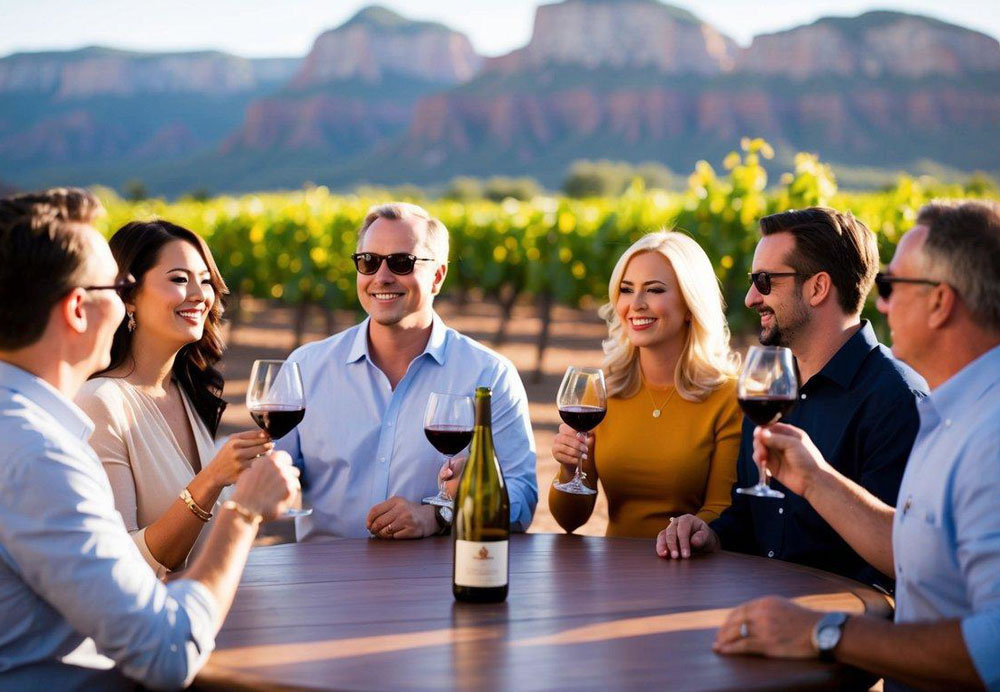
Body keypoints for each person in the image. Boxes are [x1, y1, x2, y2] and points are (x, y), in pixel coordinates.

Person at [0, 188, 299, 688]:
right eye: (116, 288)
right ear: (79, 308)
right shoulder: (40, 455)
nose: (120, 304)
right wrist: (242, 512)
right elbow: (165, 654)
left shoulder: (37, 431)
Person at [713, 200, 1000, 690]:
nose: (879, 304)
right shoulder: (950, 414)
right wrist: (815, 480)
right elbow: (915, 551)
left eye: (891, 287)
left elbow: (992, 646)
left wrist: (825, 632)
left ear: (940, 300)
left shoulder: (982, 434)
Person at [657, 207, 927, 588]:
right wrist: (709, 535)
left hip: (839, 629)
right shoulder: (768, 389)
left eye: (765, 281)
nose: (751, 298)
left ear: (817, 287)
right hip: (763, 612)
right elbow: (751, 520)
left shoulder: (897, 399)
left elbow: (904, 558)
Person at [277, 202, 537, 540]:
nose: (381, 277)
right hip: (322, 584)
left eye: (402, 263)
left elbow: (522, 499)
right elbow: (268, 474)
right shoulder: (305, 368)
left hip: (436, 587)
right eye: (368, 262)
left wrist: (440, 515)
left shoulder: (489, 375)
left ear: (438, 276)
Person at [75, 220, 272, 577]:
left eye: (206, 280)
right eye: (180, 279)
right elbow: (122, 564)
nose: (199, 294)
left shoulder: (187, 389)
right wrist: (212, 479)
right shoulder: (100, 403)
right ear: (129, 296)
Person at [548, 231, 742, 537]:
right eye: (627, 290)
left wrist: (682, 537)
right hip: (615, 573)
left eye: (654, 290)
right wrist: (568, 470)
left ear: (691, 305)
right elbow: (570, 521)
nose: (636, 304)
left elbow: (720, 510)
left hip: (690, 570)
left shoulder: (728, 397)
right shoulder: (600, 393)